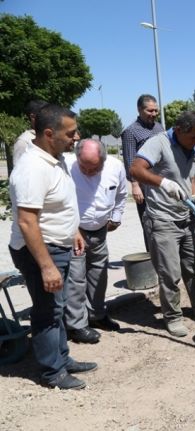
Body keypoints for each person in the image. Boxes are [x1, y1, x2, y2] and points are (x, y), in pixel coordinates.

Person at [8, 104, 96, 390]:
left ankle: (62, 358)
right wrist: (46, 266)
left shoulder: (53, 158)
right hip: (40, 251)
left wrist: (74, 231)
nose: (76, 137)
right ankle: (52, 372)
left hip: (58, 244)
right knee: (47, 312)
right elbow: (27, 222)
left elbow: (58, 205)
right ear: (49, 133)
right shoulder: (32, 167)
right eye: (70, 133)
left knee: (56, 309)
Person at [130, 111, 195, 338]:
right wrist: (162, 182)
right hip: (162, 219)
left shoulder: (191, 146)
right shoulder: (158, 143)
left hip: (187, 216)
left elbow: (191, 176)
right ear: (179, 130)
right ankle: (172, 317)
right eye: (193, 137)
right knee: (170, 274)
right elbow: (135, 169)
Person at [63, 139, 127, 344]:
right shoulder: (66, 165)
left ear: (104, 160)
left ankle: (97, 315)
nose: (89, 172)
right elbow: (58, 202)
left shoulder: (115, 166)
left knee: (99, 274)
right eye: (84, 168)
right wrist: (73, 229)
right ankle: (76, 325)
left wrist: (116, 217)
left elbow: (121, 194)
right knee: (76, 278)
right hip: (74, 231)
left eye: (95, 168)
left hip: (100, 230)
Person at [120, 94, 164, 251]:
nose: (153, 114)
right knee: (149, 223)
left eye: (155, 111)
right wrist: (135, 185)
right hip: (145, 186)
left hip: (161, 183)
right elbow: (130, 161)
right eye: (149, 110)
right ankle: (153, 257)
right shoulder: (131, 132)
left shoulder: (159, 128)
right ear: (139, 110)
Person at [13, 99, 49, 164]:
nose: (49, 118)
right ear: (32, 117)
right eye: (45, 114)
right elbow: (19, 170)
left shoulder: (49, 136)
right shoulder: (23, 142)